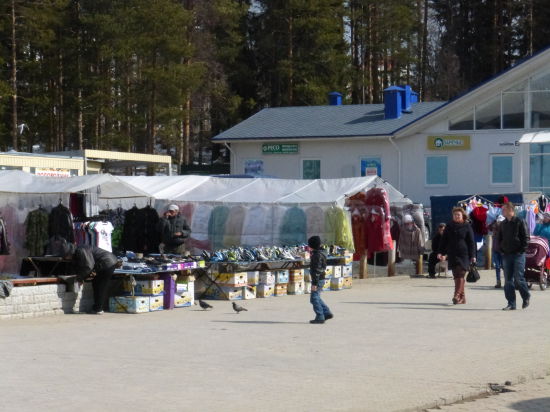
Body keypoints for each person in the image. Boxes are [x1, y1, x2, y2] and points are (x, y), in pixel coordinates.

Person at [64, 243, 119, 314]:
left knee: (100, 285)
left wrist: (80, 279)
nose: (66, 258)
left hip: (106, 262)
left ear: (70, 253)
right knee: (98, 285)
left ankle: (98, 309)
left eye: (66, 256)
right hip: (109, 261)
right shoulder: (79, 250)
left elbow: (88, 267)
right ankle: (98, 308)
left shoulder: (81, 250)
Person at [438, 207, 476, 304]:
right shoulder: (449, 226)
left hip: (464, 254)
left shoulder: (467, 226)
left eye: (458, 215)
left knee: (461, 273)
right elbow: (443, 241)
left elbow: (471, 242)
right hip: (452, 253)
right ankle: (462, 298)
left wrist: (473, 255)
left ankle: (457, 295)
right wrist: (440, 252)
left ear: (462, 215)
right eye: (455, 215)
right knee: (456, 275)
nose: (456, 216)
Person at [498, 202, 530, 311]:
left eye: (504, 209)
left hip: (518, 254)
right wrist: (501, 249)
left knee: (519, 278)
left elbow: (526, 238)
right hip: (507, 254)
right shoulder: (503, 224)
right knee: (508, 280)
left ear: (510, 210)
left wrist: (521, 250)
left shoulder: (520, 221)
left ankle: (526, 296)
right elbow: (499, 238)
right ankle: (511, 303)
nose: (502, 211)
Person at [308, 235, 333, 324]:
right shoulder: (321, 253)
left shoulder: (316, 255)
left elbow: (316, 270)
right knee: (316, 297)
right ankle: (326, 312)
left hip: (317, 279)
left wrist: (314, 283)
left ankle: (320, 316)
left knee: (314, 298)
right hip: (320, 278)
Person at [489, 216, 505, 288]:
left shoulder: (505, 230)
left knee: (504, 267)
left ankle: (507, 282)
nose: (499, 223)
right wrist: (494, 221)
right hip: (495, 250)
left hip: (503, 251)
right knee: (497, 267)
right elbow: (488, 227)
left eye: (500, 222)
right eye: (498, 221)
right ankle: (498, 282)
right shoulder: (494, 228)